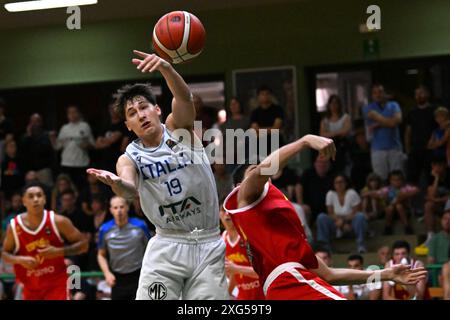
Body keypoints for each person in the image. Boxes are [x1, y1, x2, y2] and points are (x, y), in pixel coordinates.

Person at [87, 51, 228, 300]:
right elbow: (129, 188)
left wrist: (166, 68)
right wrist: (119, 185)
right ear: (128, 125)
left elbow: (184, 97)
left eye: (144, 107)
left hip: (207, 242)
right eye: (132, 113)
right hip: (167, 246)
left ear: (158, 110)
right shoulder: (128, 157)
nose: (140, 115)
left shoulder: (180, 129)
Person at [223, 134, 427, 300]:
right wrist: (305, 141)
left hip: (284, 288)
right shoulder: (245, 196)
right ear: (238, 187)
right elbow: (263, 170)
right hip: (290, 282)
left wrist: (386, 274)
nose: (263, 180)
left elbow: (330, 275)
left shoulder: (277, 234)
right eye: (252, 172)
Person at [1, 183, 88, 300]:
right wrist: (19, 259)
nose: (36, 199)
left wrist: (59, 251)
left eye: (39, 195)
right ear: (24, 201)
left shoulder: (58, 221)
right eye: (31, 196)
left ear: (44, 199)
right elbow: (5, 254)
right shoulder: (14, 226)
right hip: (30, 287)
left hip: (57, 285)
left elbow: (84, 244)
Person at [97, 196, 151, 300]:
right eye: (115, 208)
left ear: (127, 208)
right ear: (111, 210)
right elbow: (101, 255)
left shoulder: (140, 225)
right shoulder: (104, 229)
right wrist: (107, 273)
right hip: (117, 278)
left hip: (139, 275)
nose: (119, 211)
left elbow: (150, 249)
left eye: (122, 207)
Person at [219, 204, 264, 300]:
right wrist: (227, 294)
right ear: (219, 214)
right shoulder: (222, 239)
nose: (227, 214)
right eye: (223, 210)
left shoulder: (248, 235)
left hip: (262, 293)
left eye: (229, 210)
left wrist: (236, 268)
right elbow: (233, 273)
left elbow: (263, 271)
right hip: (243, 296)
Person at [316, 174, 368, 253]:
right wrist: (340, 222)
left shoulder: (352, 193)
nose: (339, 184)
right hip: (336, 225)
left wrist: (343, 221)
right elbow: (330, 213)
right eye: (336, 182)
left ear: (346, 183)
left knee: (360, 216)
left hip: (351, 225)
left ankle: (361, 245)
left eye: (341, 182)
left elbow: (356, 212)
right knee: (321, 217)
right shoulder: (330, 194)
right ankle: (325, 247)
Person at [362, 84, 404, 181]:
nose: (378, 95)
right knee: (380, 180)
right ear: (372, 95)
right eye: (375, 93)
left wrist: (378, 124)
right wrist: (390, 121)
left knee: (398, 179)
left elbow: (397, 120)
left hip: (395, 148)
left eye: (380, 92)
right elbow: (392, 123)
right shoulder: (368, 108)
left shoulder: (394, 105)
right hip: (377, 149)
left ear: (385, 93)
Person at [52, 105, 95, 190]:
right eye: (70, 112)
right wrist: (52, 138)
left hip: (81, 163)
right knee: (67, 189)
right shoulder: (64, 128)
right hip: (66, 164)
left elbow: (93, 144)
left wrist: (86, 145)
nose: (72, 114)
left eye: (74, 112)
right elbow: (57, 147)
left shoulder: (84, 126)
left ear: (79, 113)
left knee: (82, 188)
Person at [404, 85, 436, 184]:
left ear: (427, 94)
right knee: (412, 179)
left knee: (432, 178)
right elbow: (408, 131)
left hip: (430, 150)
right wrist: (408, 149)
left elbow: (439, 129)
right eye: (416, 94)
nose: (418, 96)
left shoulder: (434, 110)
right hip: (415, 150)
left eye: (421, 93)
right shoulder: (412, 112)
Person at [379, 170, 419, 235]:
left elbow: (416, 190)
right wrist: (383, 196)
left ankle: (407, 226)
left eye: (398, 180)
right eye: (394, 180)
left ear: (402, 180)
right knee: (390, 207)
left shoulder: (406, 187)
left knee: (399, 205)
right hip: (391, 212)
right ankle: (387, 227)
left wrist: (404, 195)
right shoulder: (387, 189)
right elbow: (378, 193)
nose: (396, 182)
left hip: (405, 211)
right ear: (390, 181)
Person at [320, 95, 351, 172]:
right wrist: (338, 132)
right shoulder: (325, 120)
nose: (334, 106)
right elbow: (322, 134)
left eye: (336, 103)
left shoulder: (345, 117)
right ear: (329, 105)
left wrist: (330, 133)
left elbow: (346, 131)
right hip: (330, 149)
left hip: (343, 148)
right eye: (332, 103)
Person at [423, 156, 450, 244]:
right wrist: (436, 178)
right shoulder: (430, 176)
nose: (437, 168)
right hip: (440, 206)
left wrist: (438, 200)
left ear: (445, 165)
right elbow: (431, 195)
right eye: (434, 165)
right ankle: (431, 236)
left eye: (439, 165)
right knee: (428, 205)